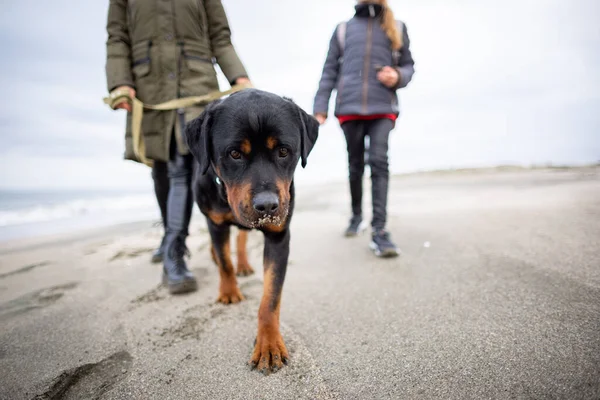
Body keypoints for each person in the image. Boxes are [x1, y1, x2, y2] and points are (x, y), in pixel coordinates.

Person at [105, 0, 251, 293]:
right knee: (162, 167)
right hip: (151, 88)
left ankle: (175, 251)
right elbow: (117, 37)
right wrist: (120, 81)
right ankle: (170, 235)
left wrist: (239, 76)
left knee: (184, 165)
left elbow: (220, 36)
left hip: (197, 85)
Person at [313, 0, 415, 257]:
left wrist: (398, 76)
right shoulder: (343, 30)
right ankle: (356, 215)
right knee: (355, 165)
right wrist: (320, 107)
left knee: (379, 162)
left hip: (383, 107)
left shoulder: (398, 27)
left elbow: (408, 66)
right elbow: (329, 70)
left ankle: (379, 230)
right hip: (349, 108)